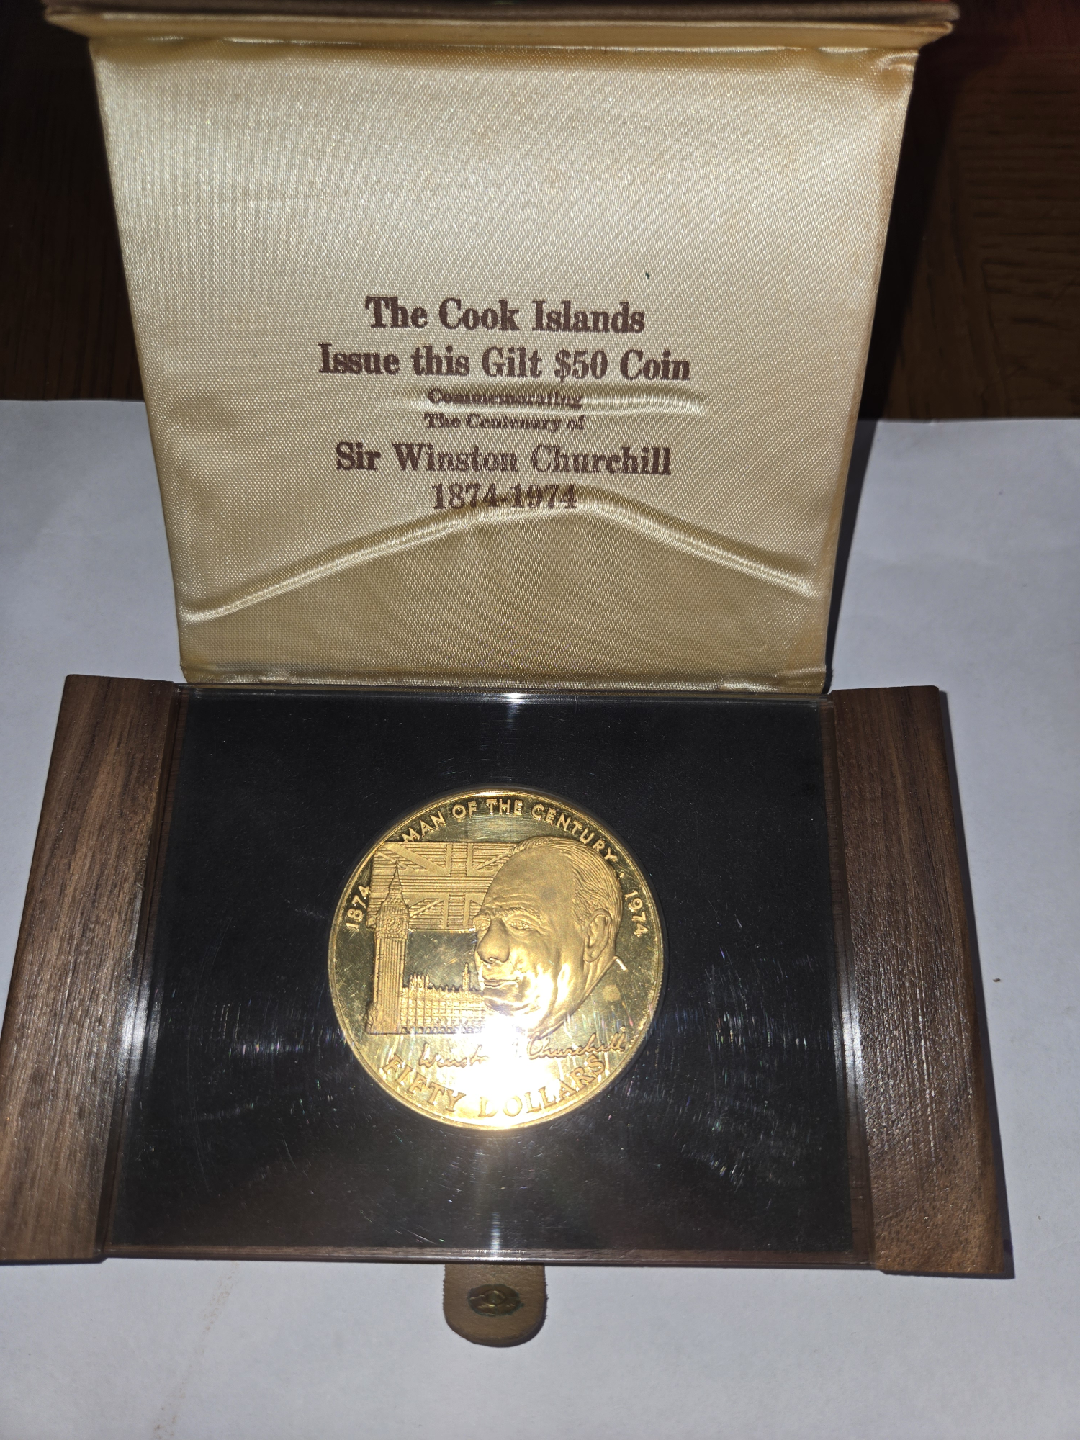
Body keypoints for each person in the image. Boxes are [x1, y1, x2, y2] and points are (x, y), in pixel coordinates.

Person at [472, 835, 623, 1040]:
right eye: (483, 925)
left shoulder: (625, 1012)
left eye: (521, 924)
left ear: (594, 936)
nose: (485, 949)